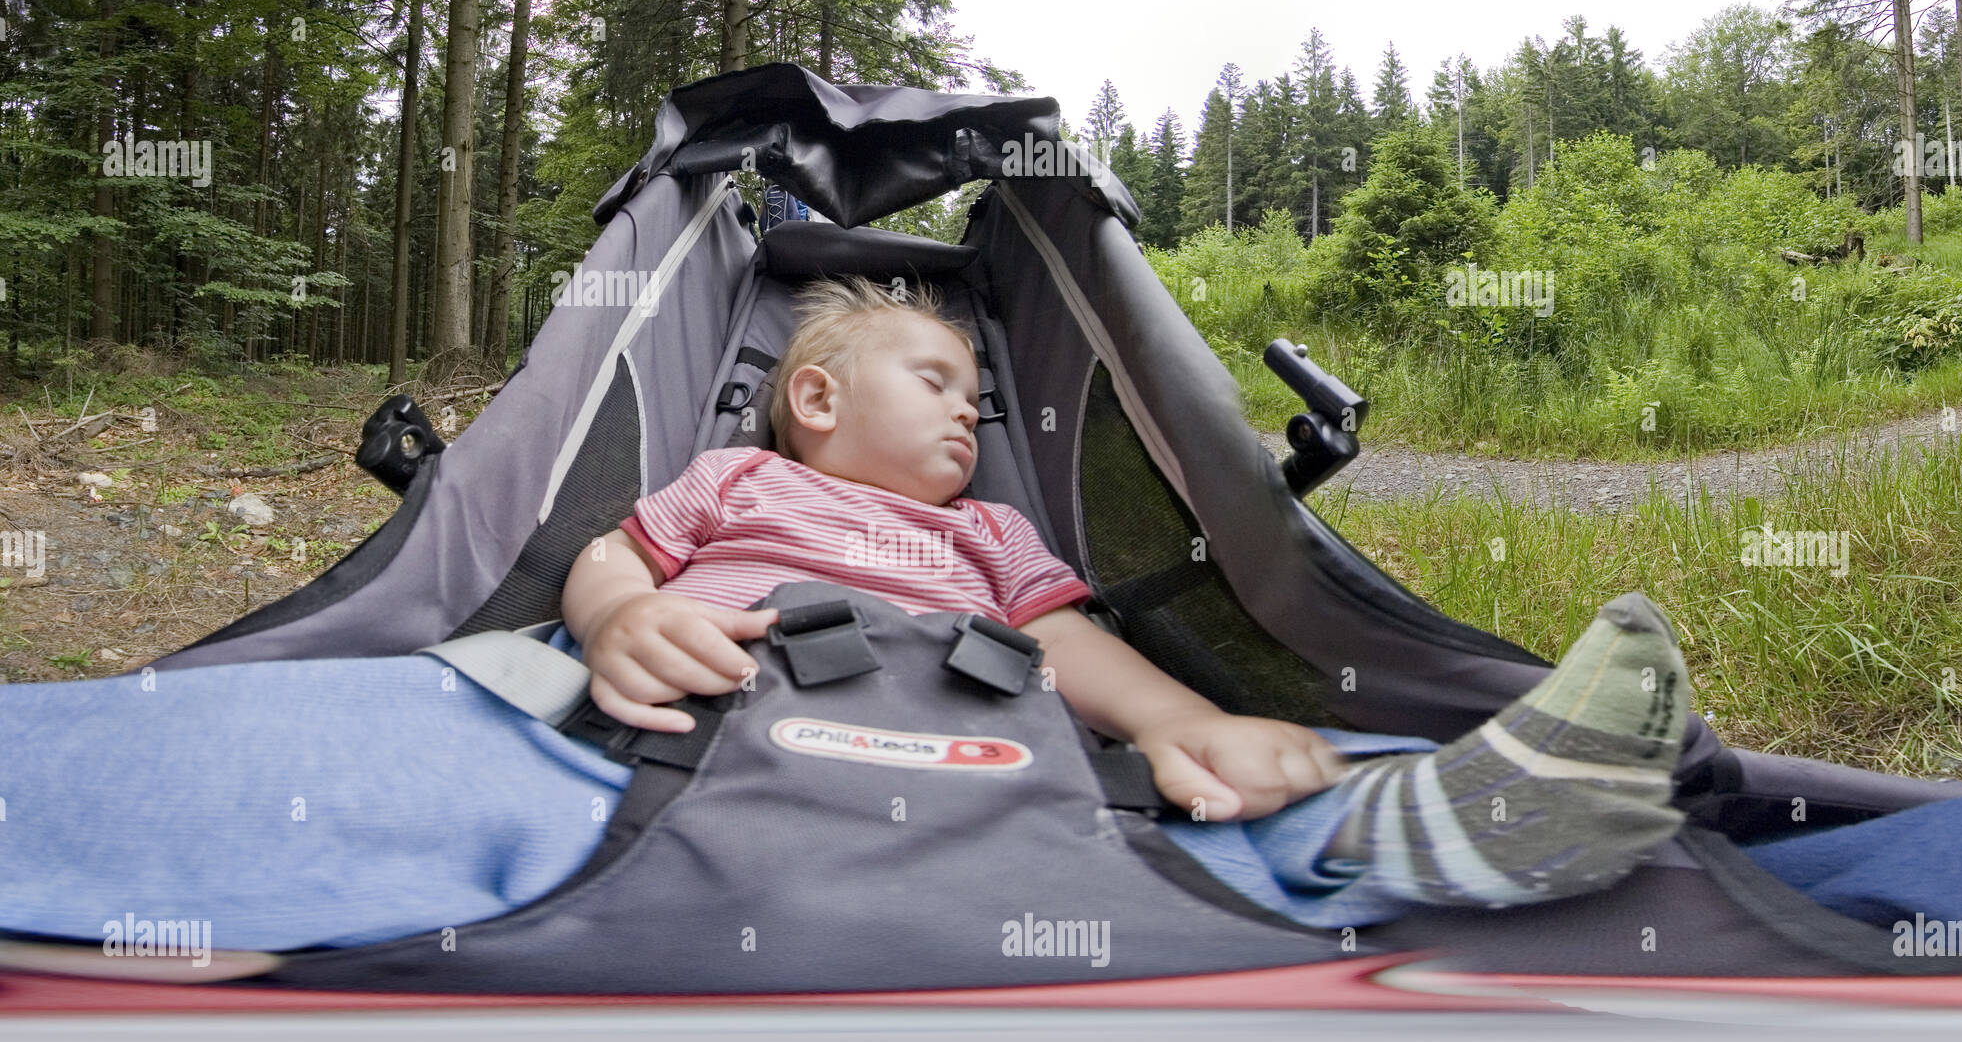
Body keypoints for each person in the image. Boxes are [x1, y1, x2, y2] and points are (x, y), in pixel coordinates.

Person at [0, 277, 1696, 950]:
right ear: (809, 402)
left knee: (1230, 791)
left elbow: (1075, 649)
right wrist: (607, 624)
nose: (969, 418)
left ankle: (1441, 821)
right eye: (935, 379)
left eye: (979, 391)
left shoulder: (984, 539)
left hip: (975, 738)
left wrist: (1187, 721)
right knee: (321, 739)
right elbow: (613, 557)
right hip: (653, 717)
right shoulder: (739, 491)